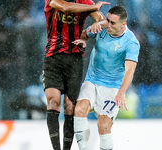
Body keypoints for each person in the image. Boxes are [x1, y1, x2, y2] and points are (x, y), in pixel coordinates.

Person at [42, 0, 110, 150]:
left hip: (74, 59)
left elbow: (105, 21)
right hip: (52, 57)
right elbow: (65, 6)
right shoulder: (54, 0)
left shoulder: (85, 2)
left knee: (70, 106)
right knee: (53, 101)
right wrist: (93, 7)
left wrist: (94, 27)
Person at [72, 6, 140, 150]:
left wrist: (121, 92)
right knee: (79, 111)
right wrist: (84, 40)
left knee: (103, 126)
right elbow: (85, 34)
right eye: (107, 20)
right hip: (92, 80)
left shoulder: (131, 42)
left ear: (123, 24)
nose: (108, 24)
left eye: (113, 23)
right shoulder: (101, 28)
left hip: (112, 86)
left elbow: (130, 70)